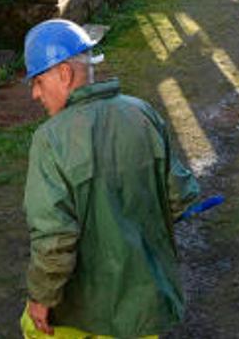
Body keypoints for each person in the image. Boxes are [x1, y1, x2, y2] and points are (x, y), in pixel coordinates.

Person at [21, 19, 201, 338]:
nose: (35, 94)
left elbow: (54, 237)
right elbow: (180, 194)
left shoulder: (51, 139)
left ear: (64, 74)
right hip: (144, 305)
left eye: (37, 81)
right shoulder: (142, 113)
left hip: (80, 312)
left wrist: (41, 298)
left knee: (32, 328)